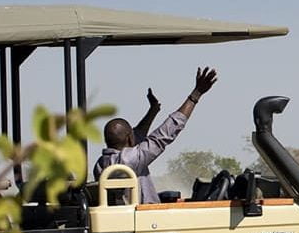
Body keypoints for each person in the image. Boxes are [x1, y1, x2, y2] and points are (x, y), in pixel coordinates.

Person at [93, 67, 218, 204]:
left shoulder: (101, 164)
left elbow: (138, 136)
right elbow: (163, 135)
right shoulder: (129, 160)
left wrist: (153, 111)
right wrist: (195, 95)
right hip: (144, 220)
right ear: (129, 138)